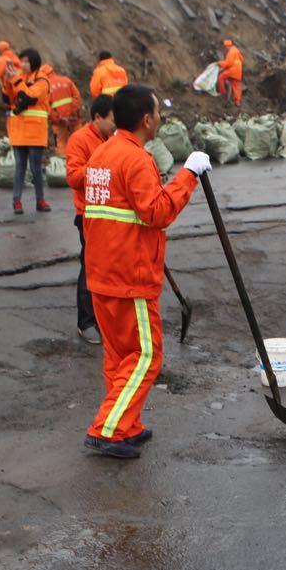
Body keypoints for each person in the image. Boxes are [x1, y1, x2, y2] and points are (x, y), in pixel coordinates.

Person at [81, 84, 211, 458]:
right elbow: (157, 212)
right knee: (145, 356)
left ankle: (125, 424)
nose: (159, 118)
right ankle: (109, 429)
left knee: (120, 358)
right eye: (157, 112)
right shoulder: (135, 159)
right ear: (146, 119)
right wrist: (188, 175)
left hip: (104, 274)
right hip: (129, 278)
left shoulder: (102, 154)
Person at [65, 95, 115, 344]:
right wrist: (101, 167)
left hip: (110, 214)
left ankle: (103, 318)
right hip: (88, 215)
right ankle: (86, 322)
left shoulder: (111, 139)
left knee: (107, 270)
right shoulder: (80, 140)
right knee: (90, 268)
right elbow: (73, 177)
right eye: (112, 119)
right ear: (97, 117)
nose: (115, 125)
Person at [5, 47, 53, 214]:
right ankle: (16, 201)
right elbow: (8, 99)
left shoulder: (42, 80)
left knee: (35, 167)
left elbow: (29, 97)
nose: (23, 65)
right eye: (22, 61)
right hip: (19, 129)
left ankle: (40, 200)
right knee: (20, 167)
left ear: (34, 62)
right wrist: (7, 82)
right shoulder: (19, 77)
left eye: (26, 61)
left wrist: (16, 81)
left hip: (35, 131)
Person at [48, 68, 83, 150]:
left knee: (61, 145)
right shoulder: (66, 80)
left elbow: (46, 107)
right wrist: (72, 113)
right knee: (80, 143)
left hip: (59, 123)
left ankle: (64, 162)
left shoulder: (45, 86)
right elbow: (77, 97)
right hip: (74, 119)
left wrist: (58, 118)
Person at [217, 39, 244, 105]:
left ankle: (223, 93)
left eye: (225, 47)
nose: (225, 49)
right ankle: (237, 101)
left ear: (227, 46)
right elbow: (242, 59)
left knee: (221, 77)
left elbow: (228, 63)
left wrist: (220, 63)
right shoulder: (236, 50)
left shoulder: (231, 52)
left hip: (232, 70)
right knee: (236, 85)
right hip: (238, 70)